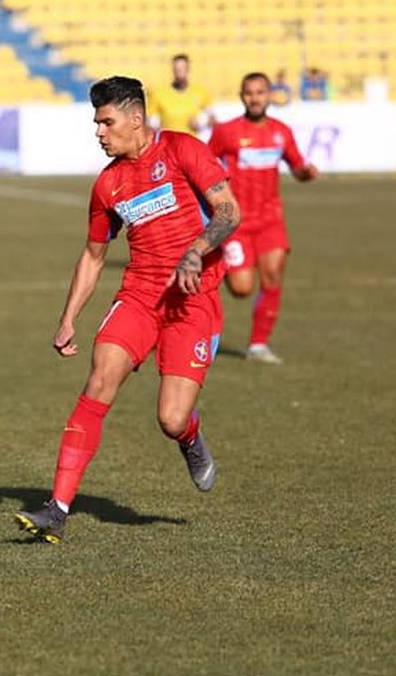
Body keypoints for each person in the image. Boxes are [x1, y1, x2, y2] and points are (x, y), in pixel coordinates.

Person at [14, 76, 241, 544]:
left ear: (135, 119)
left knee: (171, 419)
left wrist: (195, 252)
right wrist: (68, 318)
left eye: (106, 122)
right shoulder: (108, 184)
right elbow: (93, 255)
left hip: (193, 299)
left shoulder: (181, 149)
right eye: (96, 123)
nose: (99, 132)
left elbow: (228, 211)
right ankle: (57, 508)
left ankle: (190, 437)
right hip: (139, 296)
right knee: (100, 378)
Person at [208, 72, 318, 364]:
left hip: (270, 220)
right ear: (241, 96)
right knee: (242, 289)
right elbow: (203, 164)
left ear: (269, 95)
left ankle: (258, 345)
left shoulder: (281, 132)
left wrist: (305, 173)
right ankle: (214, 263)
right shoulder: (226, 132)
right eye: (249, 93)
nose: (255, 98)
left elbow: (297, 166)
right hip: (236, 222)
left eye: (260, 92)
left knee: (272, 277)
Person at [146, 54, 213, 135]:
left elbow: (213, 119)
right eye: (177, 69)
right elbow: (149, 120)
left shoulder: (200, 92)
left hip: (191, 140)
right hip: (169, 140)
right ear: (173, 70)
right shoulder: (158, 93)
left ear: (188, 69)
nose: (180, 72)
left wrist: (202, 124)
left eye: (182, 69)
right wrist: (155, 126)